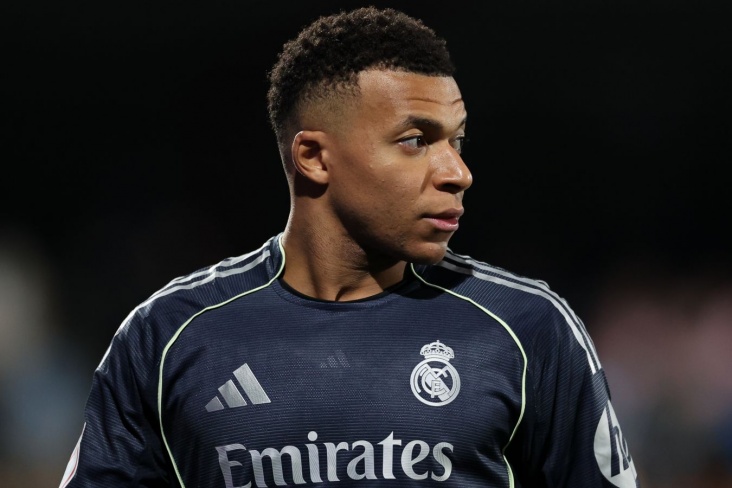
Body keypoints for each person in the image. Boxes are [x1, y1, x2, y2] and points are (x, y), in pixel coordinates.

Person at [60, 6, 640, 488]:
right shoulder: (168, 336)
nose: (457, 172)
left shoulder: (528, 328)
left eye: (457, 141)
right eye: (416, 140)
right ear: (314, 157)